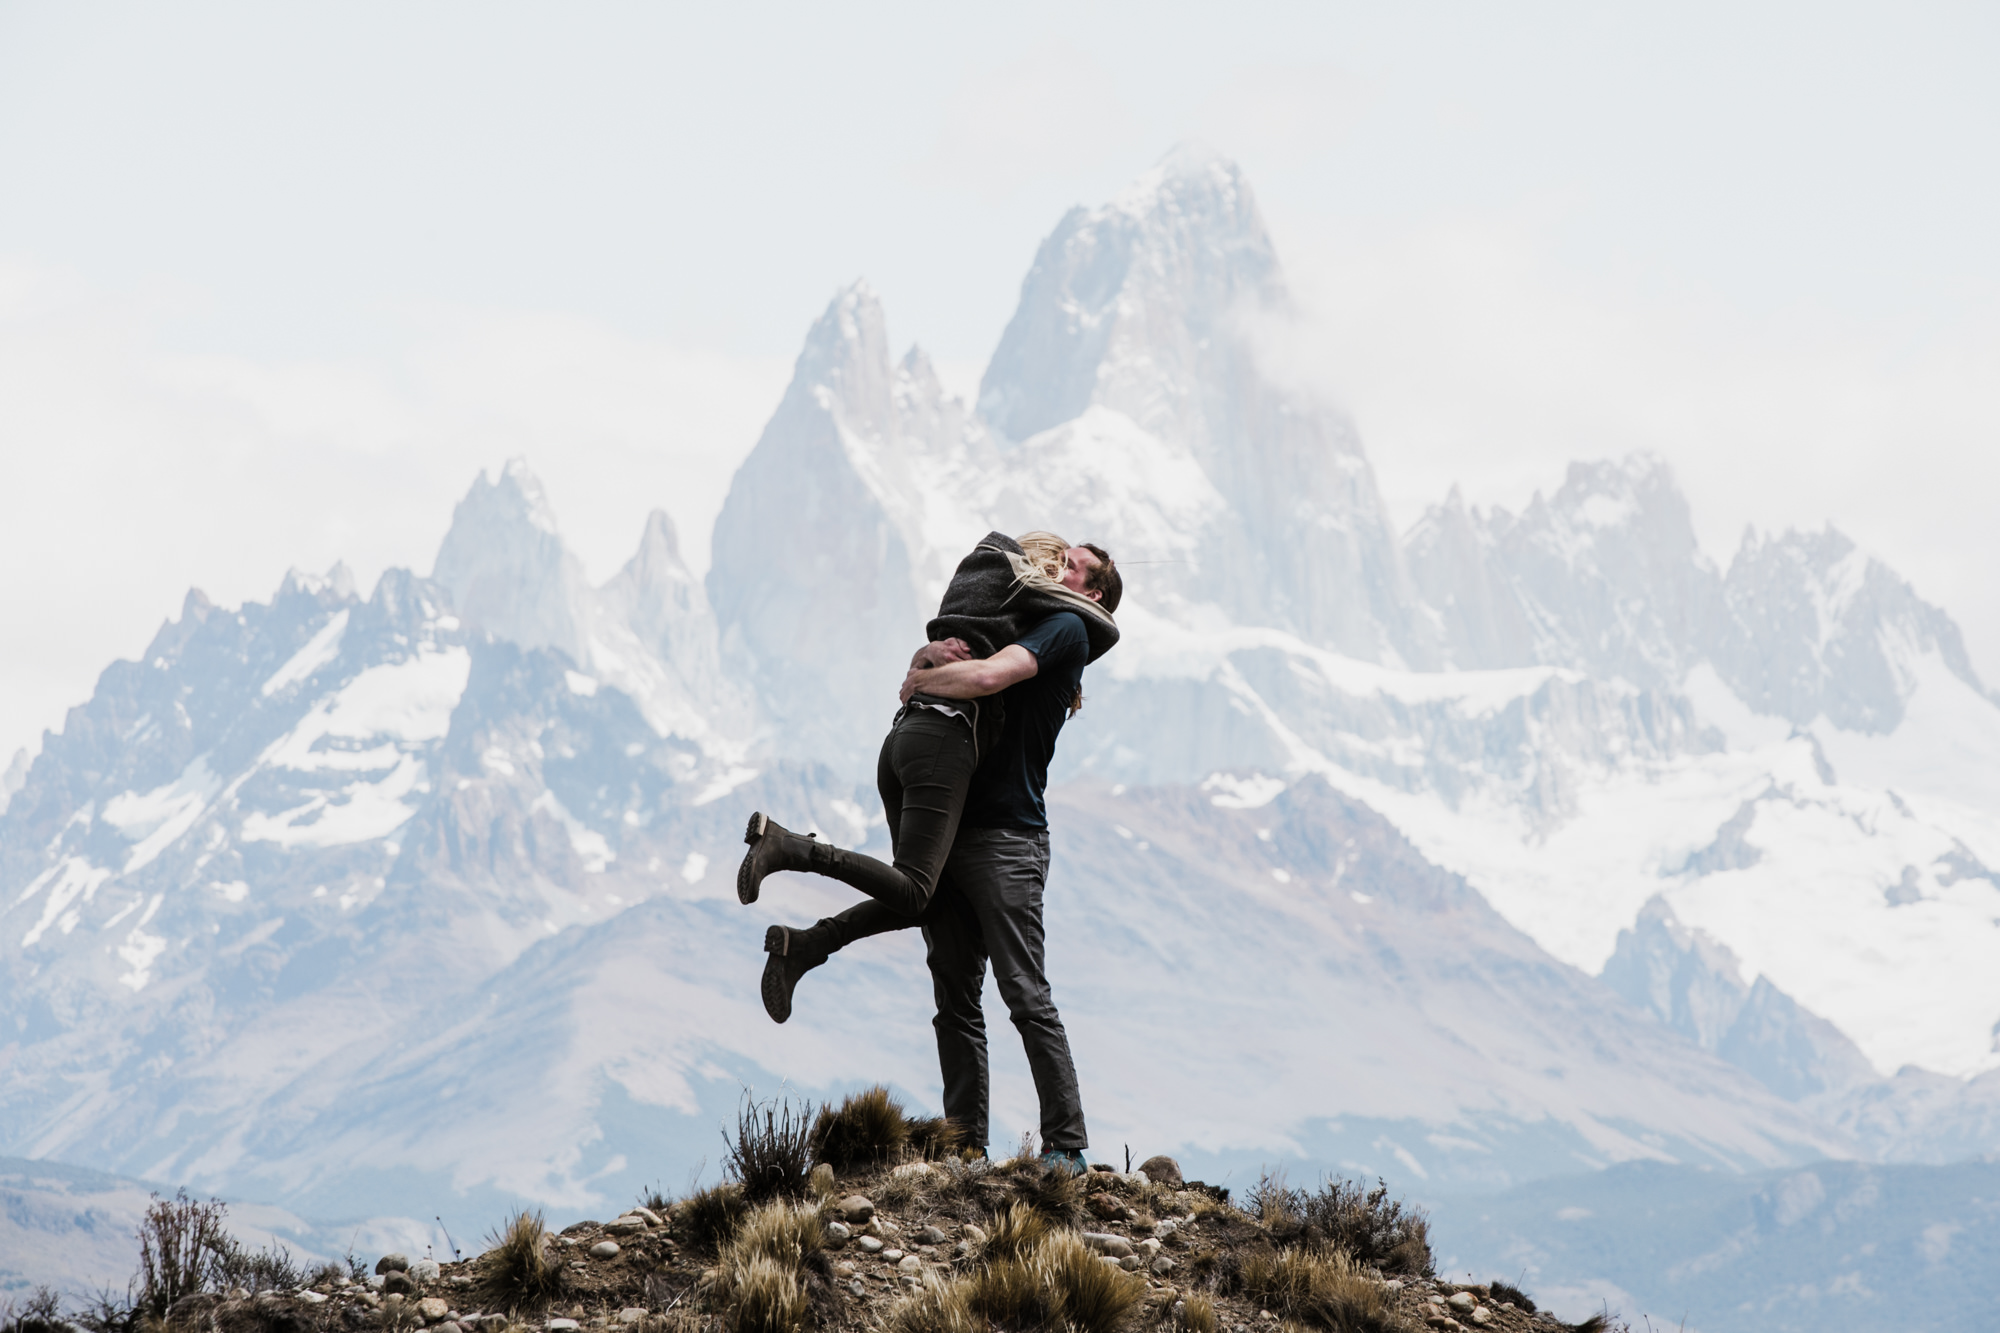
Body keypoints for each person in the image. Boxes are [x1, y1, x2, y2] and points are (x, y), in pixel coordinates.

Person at [741, 536, 1123, 1167]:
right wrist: (930, 655)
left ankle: (1066, 1147)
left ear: (1094, 593)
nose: (1060, 567)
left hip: (1009, 840)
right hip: (960, 829)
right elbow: (969, 652)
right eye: (1062, 558)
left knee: (1025, 994)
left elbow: (988, 676)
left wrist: (922, 679)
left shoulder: (1065, 629)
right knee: (954, 997)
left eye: (1075, 567)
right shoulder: (1023, 617)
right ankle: (964, 1146)